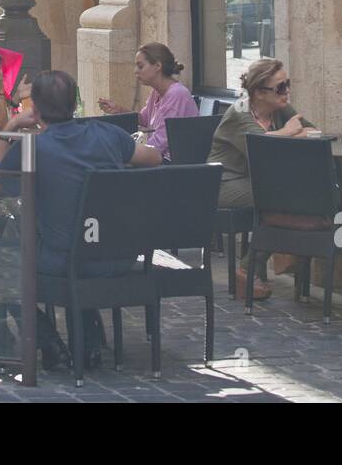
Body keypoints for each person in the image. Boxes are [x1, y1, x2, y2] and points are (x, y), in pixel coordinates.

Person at [0, 71, 163, 368]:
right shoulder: (108, 135)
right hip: (118, 257)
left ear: (34, 107)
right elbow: (153, 159)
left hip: (62, 261)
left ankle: (47, 340)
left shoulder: (34, 148)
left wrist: (9, 127)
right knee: (76, 242)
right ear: (74, 104)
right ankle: (87, 339)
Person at [206, 58, 316, 300]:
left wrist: (283, 137)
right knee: (282, 196)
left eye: (287, 84)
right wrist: (286, 133)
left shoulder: (281, 107)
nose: (286, 91)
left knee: (293, 194)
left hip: (259, 182)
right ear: (258, 92)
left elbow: (313, 131)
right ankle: (257, 263)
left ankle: (260, 262)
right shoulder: (240, 112)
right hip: (223, 184)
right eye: (280, 87)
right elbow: (261, 150)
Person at [97, 42, 197, 161]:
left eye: (140, 66)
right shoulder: (157, 92)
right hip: (160, 159)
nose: (135, 71)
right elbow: (144, 119)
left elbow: (160, 142)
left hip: (173, 164)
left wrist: (129, 152)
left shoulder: (176, 94)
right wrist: (118, 109)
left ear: (158, 66)